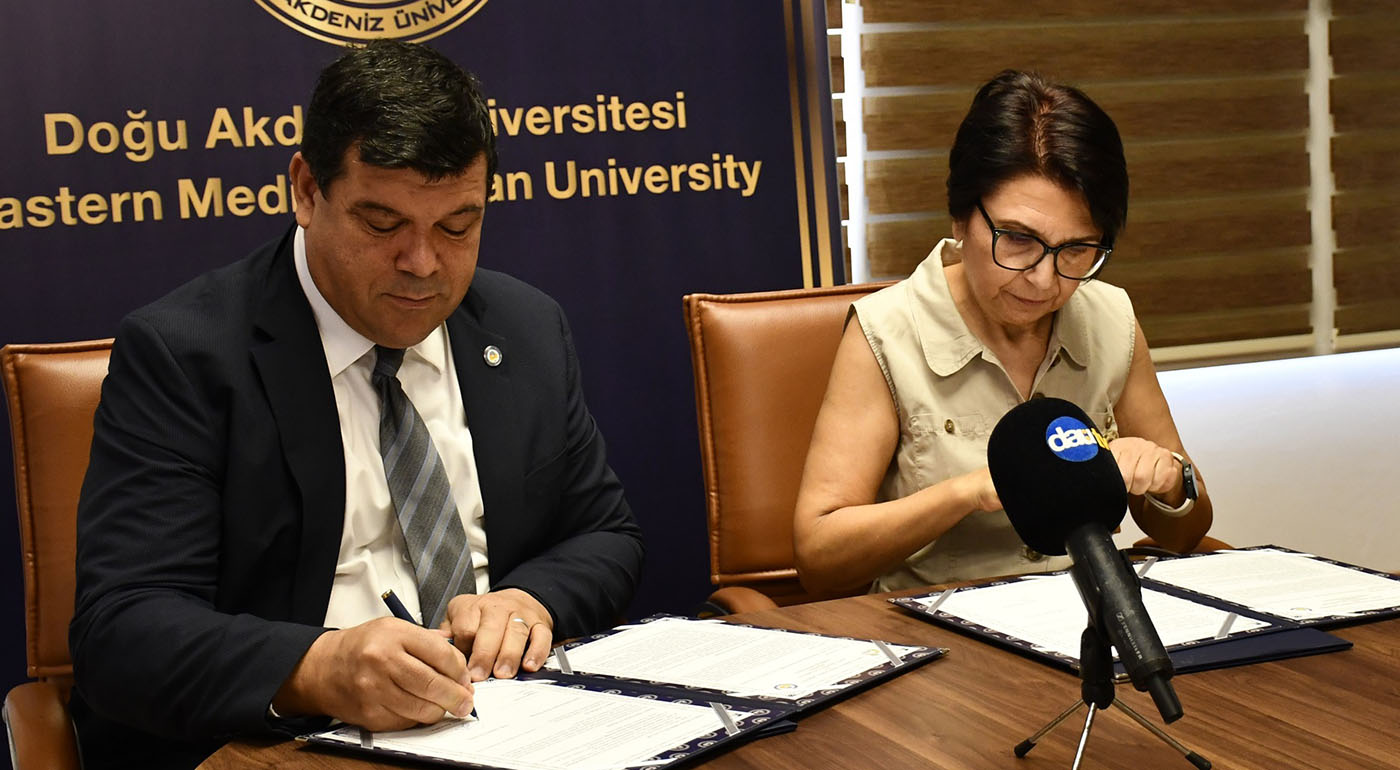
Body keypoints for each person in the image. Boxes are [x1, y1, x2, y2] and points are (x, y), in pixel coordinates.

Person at [69, 40, 644, 769]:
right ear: (307, 190)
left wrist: (532, 598)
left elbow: (605, 533)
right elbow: (122, 630)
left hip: (506, 728)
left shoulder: (525, 327)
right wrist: (316, 667)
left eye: (457, 227)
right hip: (285, 746)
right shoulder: (186, 354)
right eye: (382, 224)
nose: (422, 264)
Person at [793, 70, 1213, 596]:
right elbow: (819, 557)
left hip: (1087, 614)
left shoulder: (1110, 317)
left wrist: (1168, 482)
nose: (1044, 279)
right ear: (960, 217)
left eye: (1076, 250)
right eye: (1017, 240)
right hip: (940, 623)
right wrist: (965, 494)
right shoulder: (886, 331)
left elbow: (1187, 530)